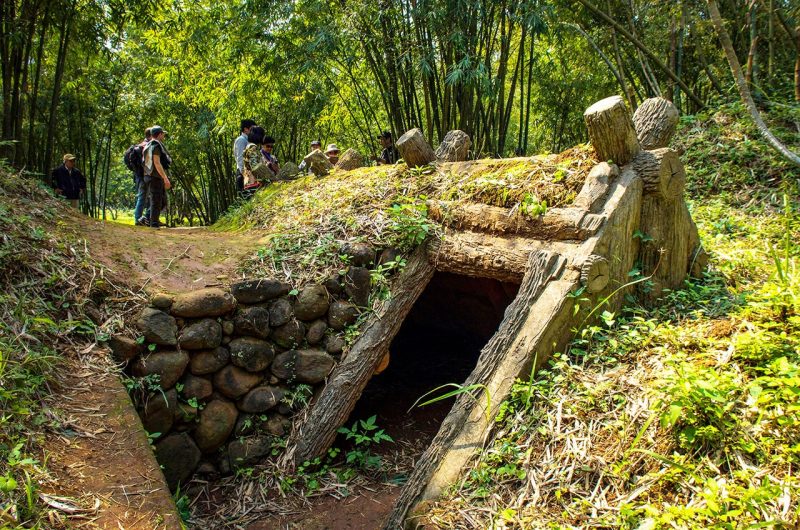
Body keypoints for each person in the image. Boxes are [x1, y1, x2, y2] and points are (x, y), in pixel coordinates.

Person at [143, 126, 172, 228]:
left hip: (149, 175)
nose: (164, 135)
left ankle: (147, 218)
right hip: (154, 176)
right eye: (163, 133)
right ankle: (153, 224)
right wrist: (165, 178)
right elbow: (157, 162)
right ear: (159, 134)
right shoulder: (155, 145)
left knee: (162, 200)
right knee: (156, 200)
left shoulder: (148, 145)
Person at [134, 128, 152, 225]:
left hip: (139, 175)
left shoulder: (140, 145)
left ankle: (142, 218)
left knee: (142, 197)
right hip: (145, 175)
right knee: (143, 197)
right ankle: (139, 219)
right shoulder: (147, 146)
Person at [234, 119, 256, 193]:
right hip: (243, 173)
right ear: (246, 129)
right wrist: (245, 175)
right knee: (246, 197)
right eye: (252, 129)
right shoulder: (241, 140)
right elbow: (240, 159)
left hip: (249, 173)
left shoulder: (248, 140)